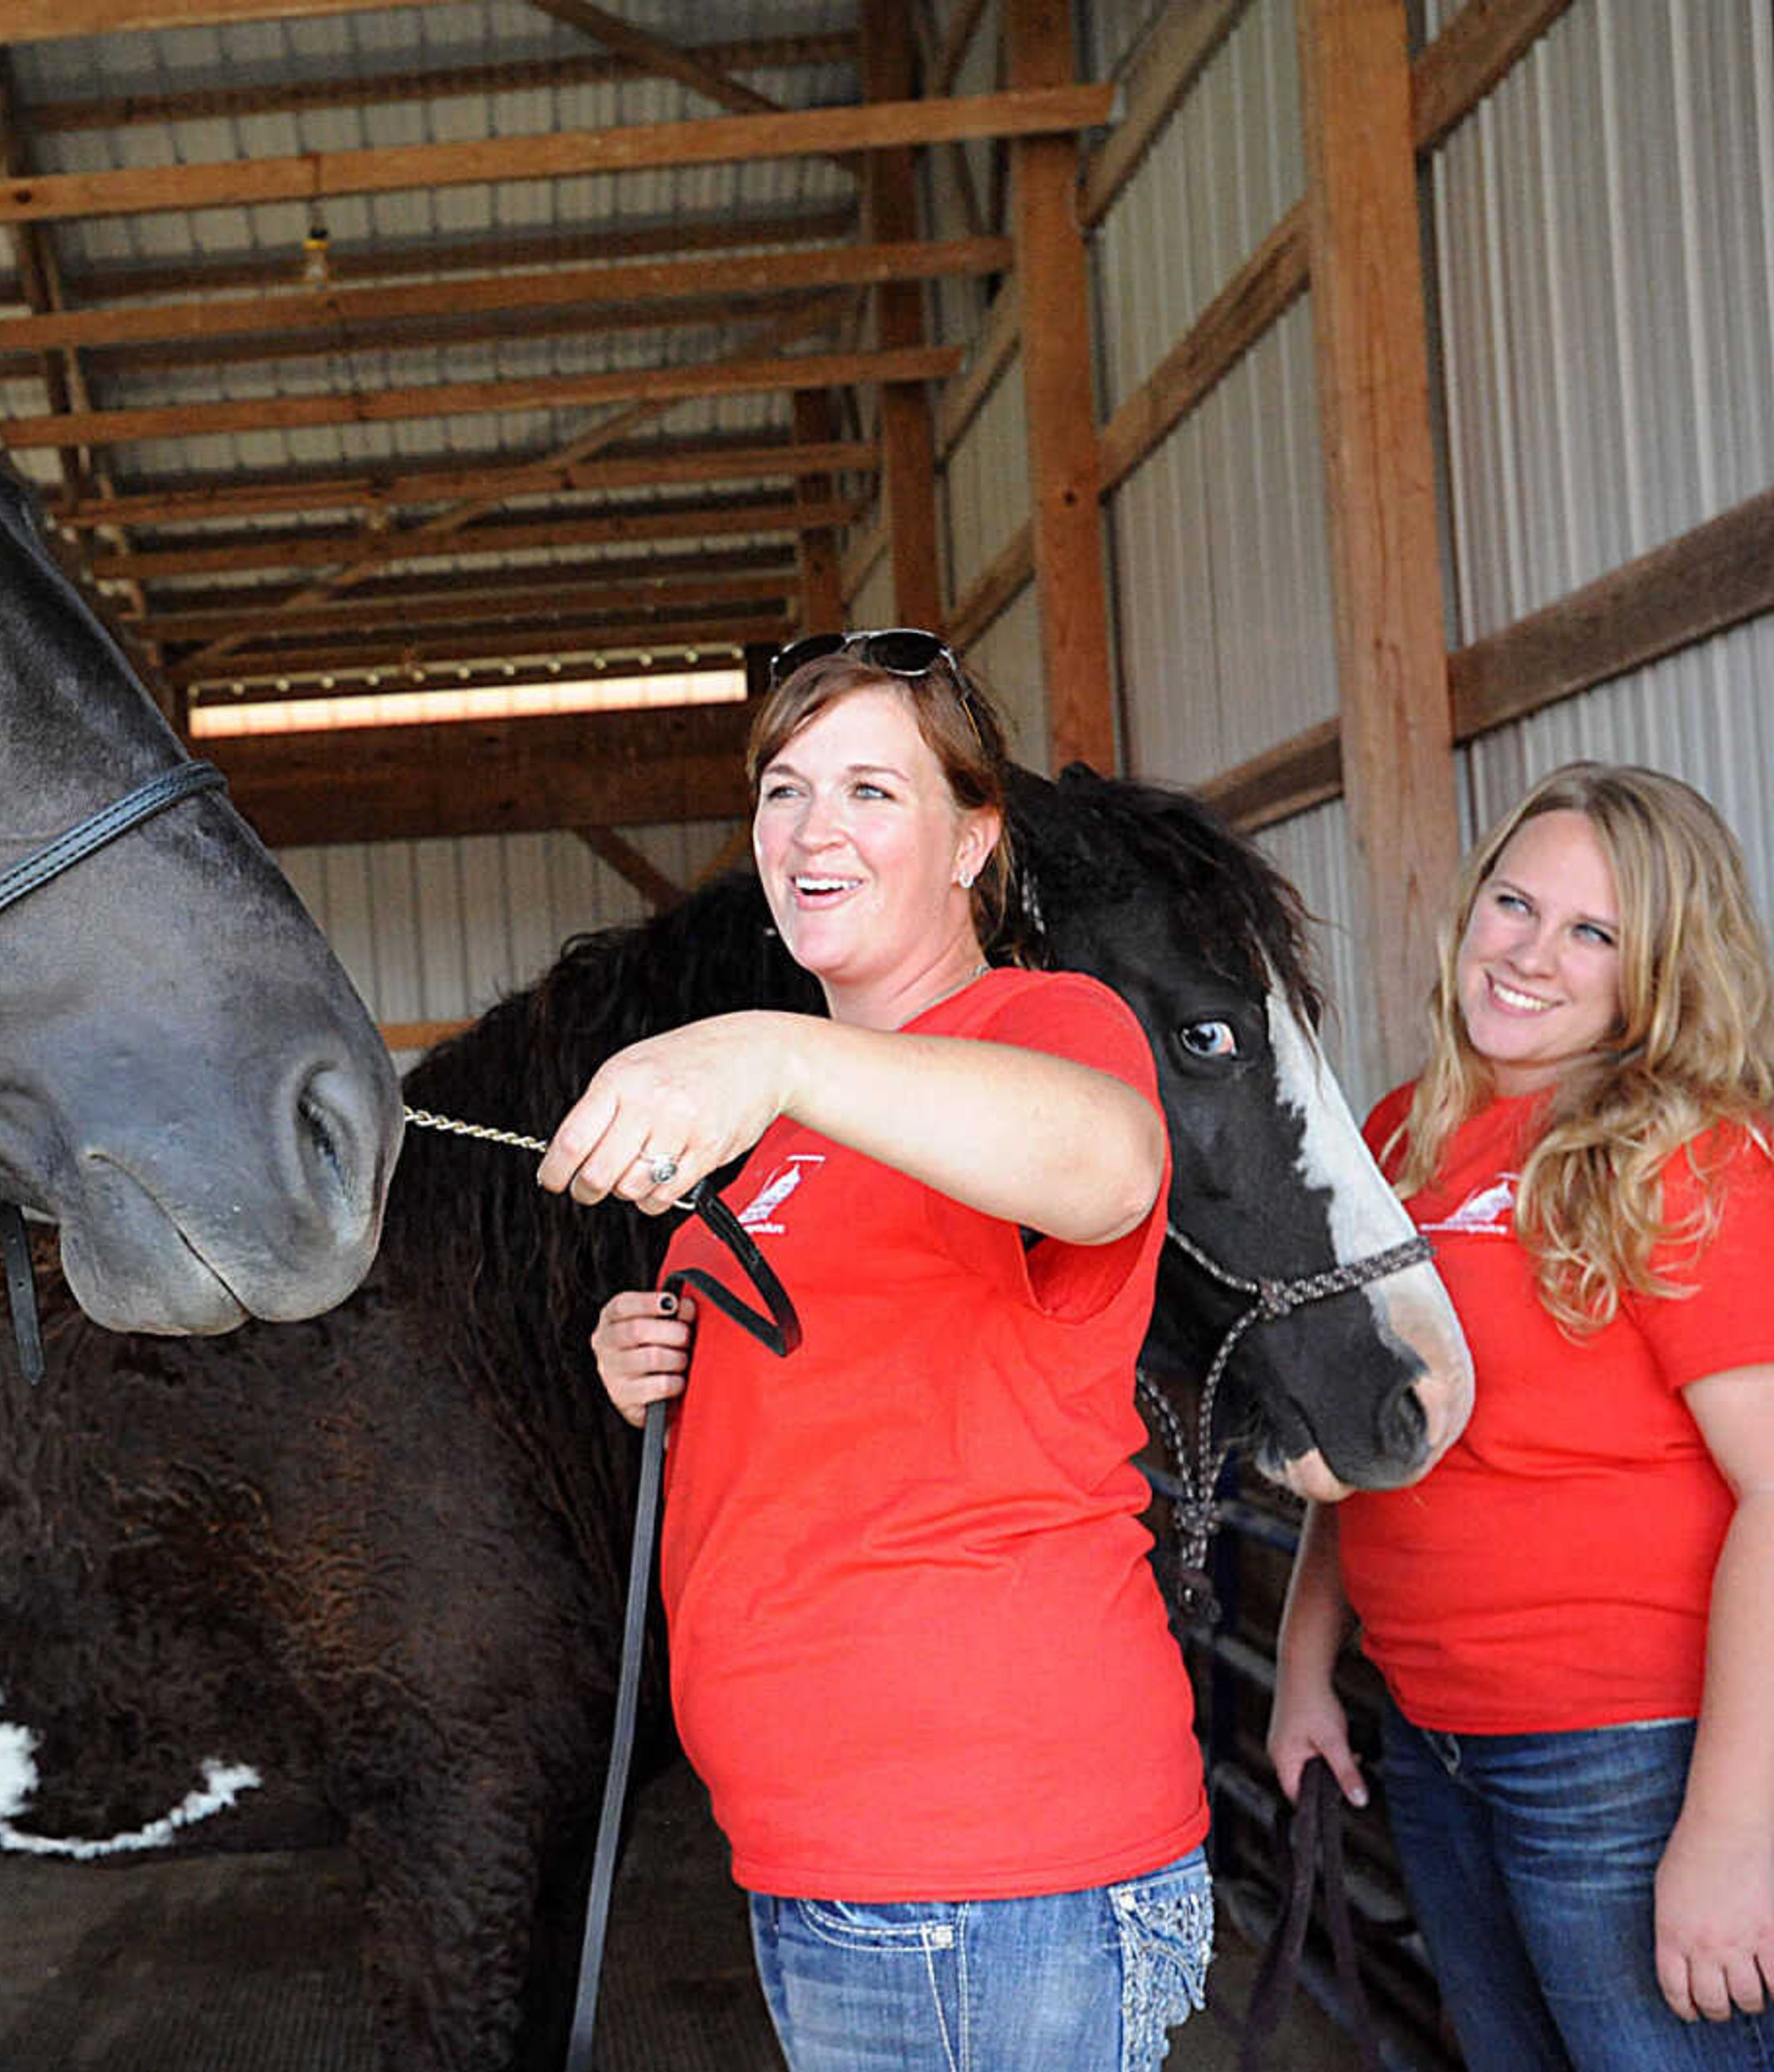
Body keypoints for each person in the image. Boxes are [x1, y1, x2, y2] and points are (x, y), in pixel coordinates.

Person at [545, 629, 1211, 2071]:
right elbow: (837, 1397)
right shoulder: (774, 1133)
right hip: (819, 1851)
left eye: (870, 791)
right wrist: (649, 1353)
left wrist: (771, 1051)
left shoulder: (1045, 1024)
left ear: (974, 838)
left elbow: (1106, 1168)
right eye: (785, 791)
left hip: (993, 1862)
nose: (812, 830)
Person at [1267, 761, 1774, 2070]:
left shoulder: (1686, 1155)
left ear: (1657, 966)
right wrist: (1307, 1674)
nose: (1533, 954)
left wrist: (1730, 1832)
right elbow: (1376, 1437)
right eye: (1515, 903)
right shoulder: (1399, 1136)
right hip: (1432, 1735)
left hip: (1627, 1753)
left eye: (1593, 932)